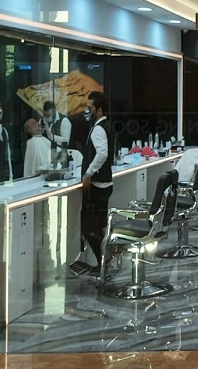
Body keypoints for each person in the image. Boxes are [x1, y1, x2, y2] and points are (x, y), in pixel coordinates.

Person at [80, 91, 113, 274]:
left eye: (90, 108)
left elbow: (102, 154)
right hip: (104, 184)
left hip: (97, 186)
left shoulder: (98, 129)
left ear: (99, 110)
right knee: (97, 226)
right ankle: (104, 262)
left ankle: (103, 262)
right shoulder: (105, 126)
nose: (87, 111)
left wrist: (88, 173)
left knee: (89, 228)